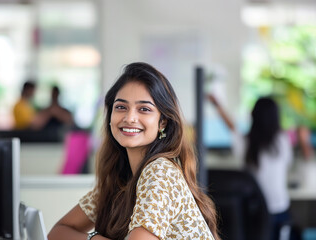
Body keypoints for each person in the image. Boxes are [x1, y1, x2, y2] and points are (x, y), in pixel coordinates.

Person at [48, 62, 219, 240]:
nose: (129, 118)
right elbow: (58, 232)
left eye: (144, 109)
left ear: (163, 122)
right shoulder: (121, 178)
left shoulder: (160, 172)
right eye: (121, 107)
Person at [208, 95, 293, 240]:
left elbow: (232, 128)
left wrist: (217, 105)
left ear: (253, 116)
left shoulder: (247, 144)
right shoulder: (282, 141)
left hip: (256, 211)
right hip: (279, 209)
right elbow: (287, 164)